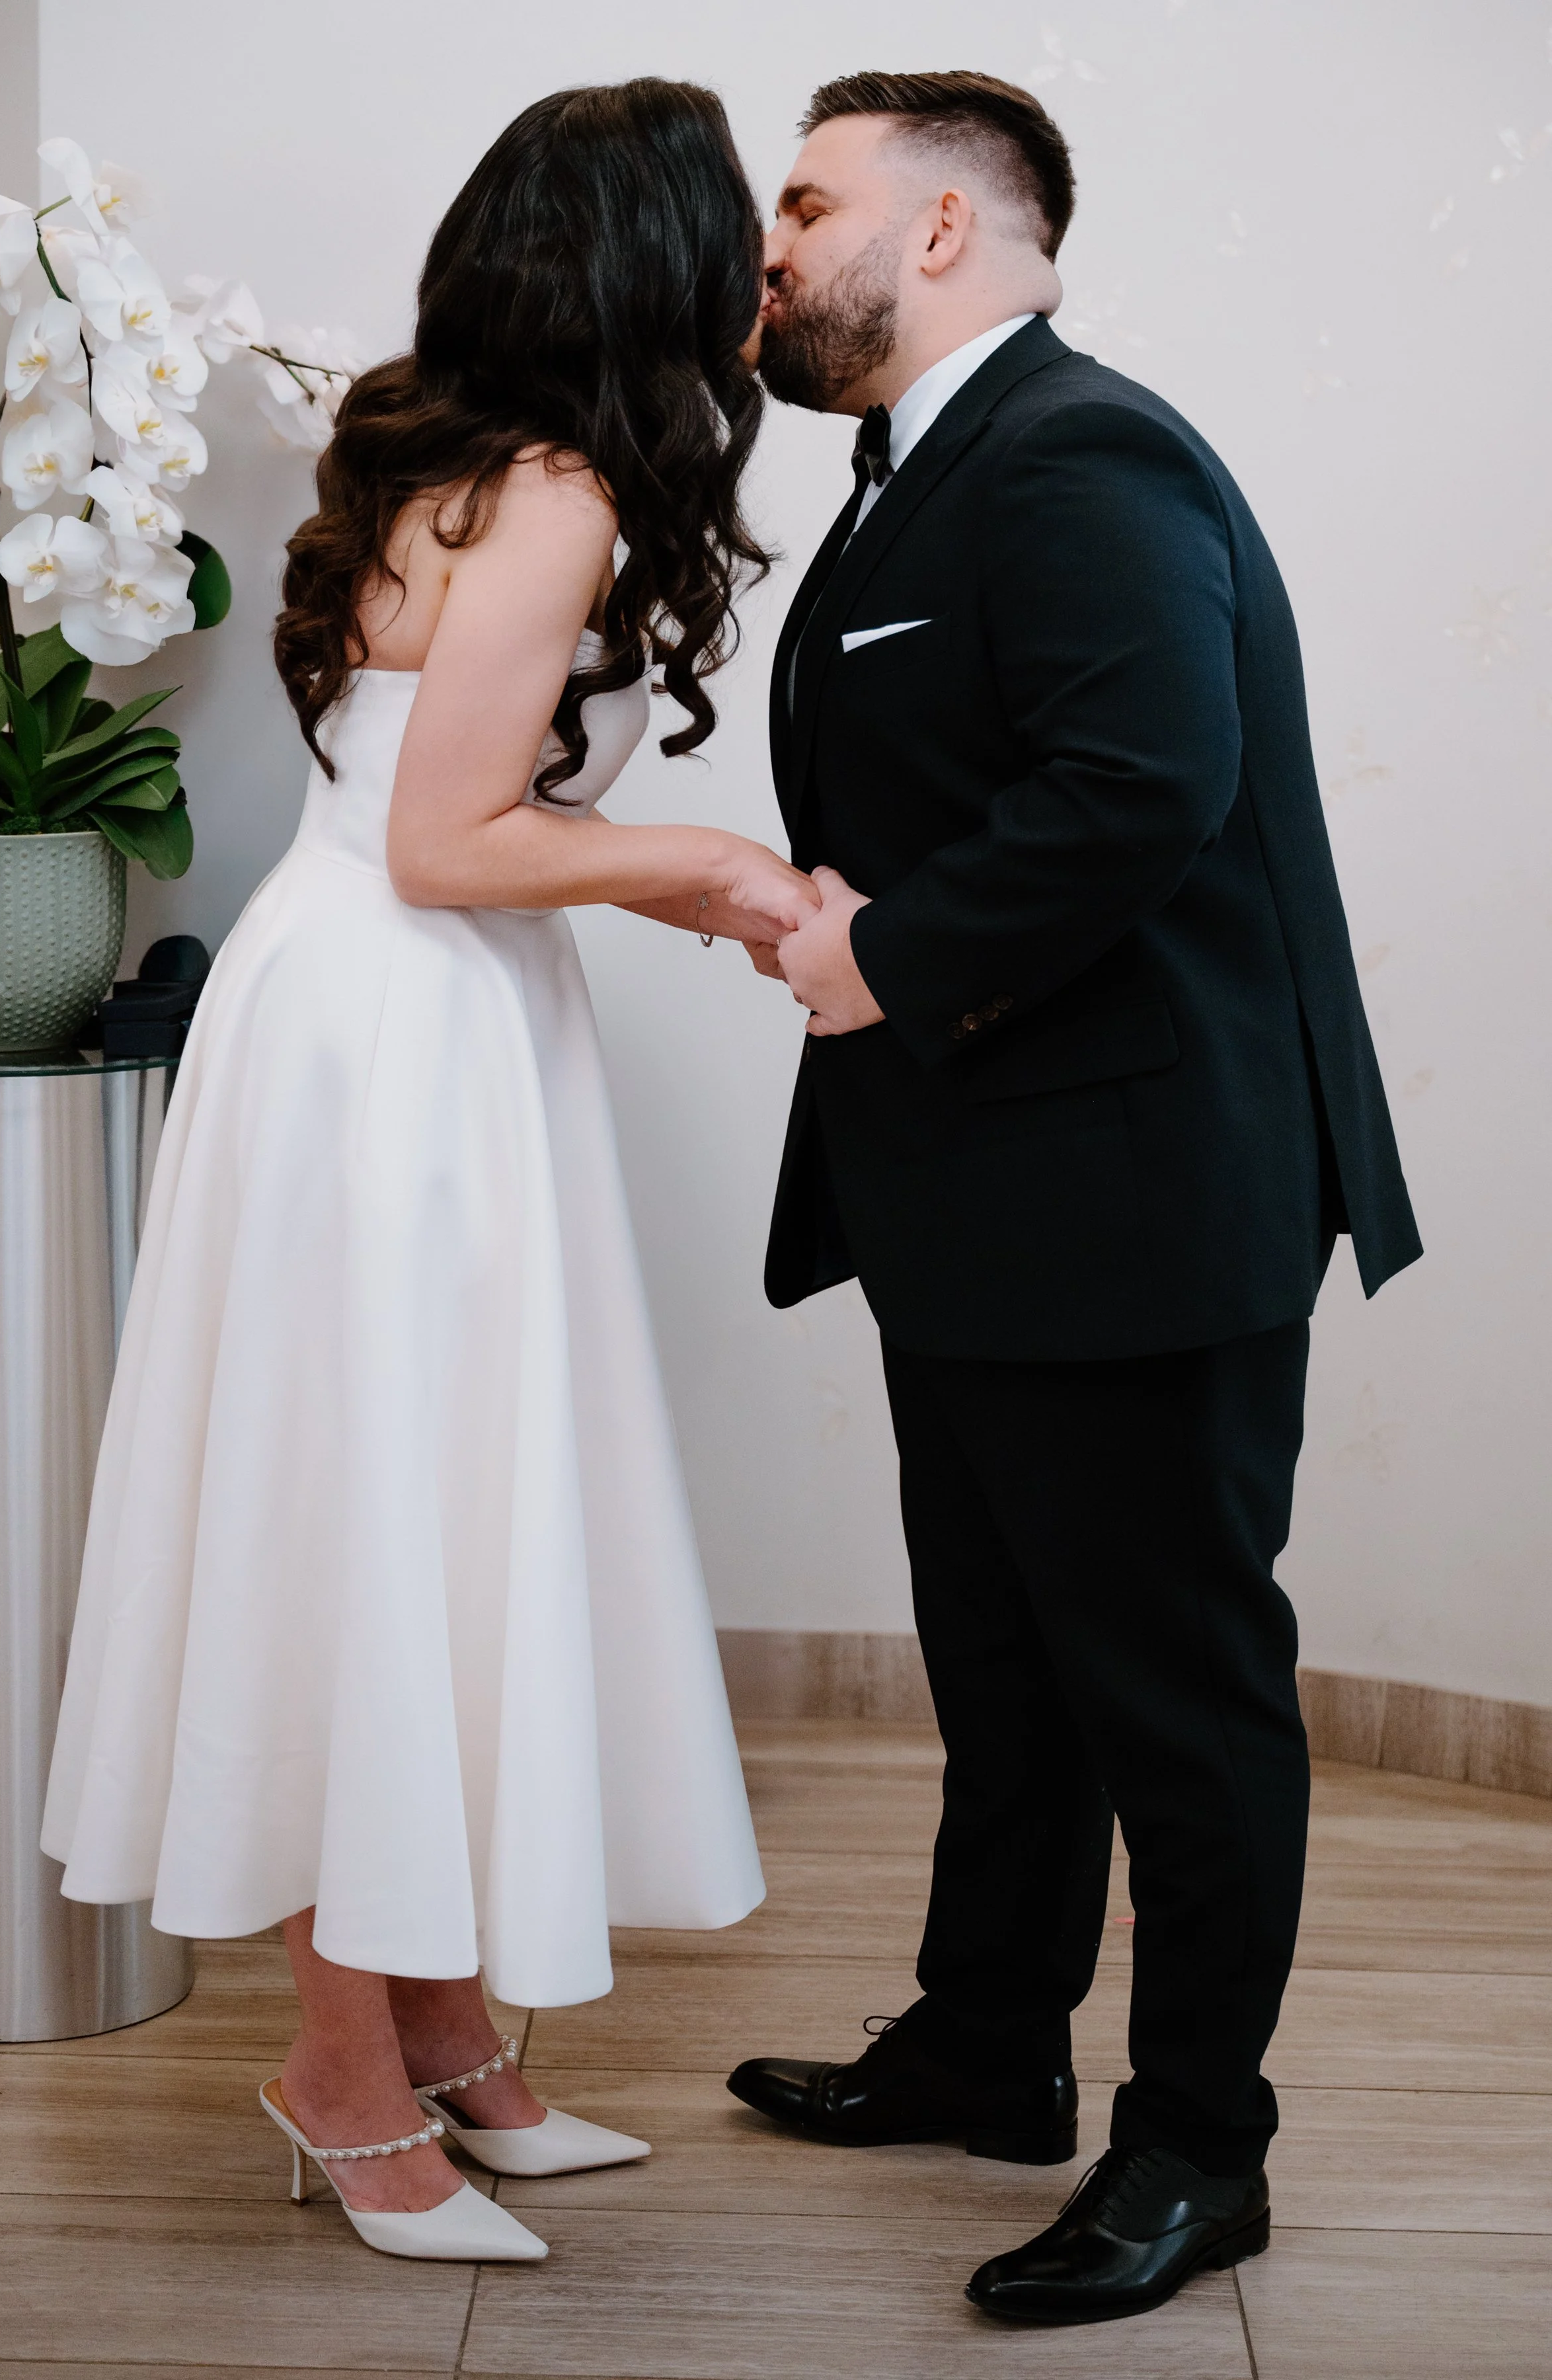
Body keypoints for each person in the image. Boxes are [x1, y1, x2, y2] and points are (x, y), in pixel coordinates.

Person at [42, 79, 796, 2264]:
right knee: (377, 1531)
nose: (755, 268)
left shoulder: (449, 454)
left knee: (410, 1518)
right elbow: (457, 840)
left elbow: (433, 809)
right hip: (402, 1032)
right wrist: (723, 862)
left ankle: (450, 2035)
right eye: (730, 227)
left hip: (382, 1013)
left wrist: (683, 900)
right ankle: (346, 2079)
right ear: (647, 253)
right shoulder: (555, 488)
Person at [726, 69, 1421, 2327]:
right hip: (986, 1194)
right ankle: (988, 2043)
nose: (770, 242)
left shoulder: (1083, 449)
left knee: (1178, 1693)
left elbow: (1147, 781)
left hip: (1142, 1195)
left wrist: (879, 956)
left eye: (805, 201)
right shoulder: (904, 481)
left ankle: (1200, 2149)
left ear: (943, 231)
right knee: (1005, 1657)